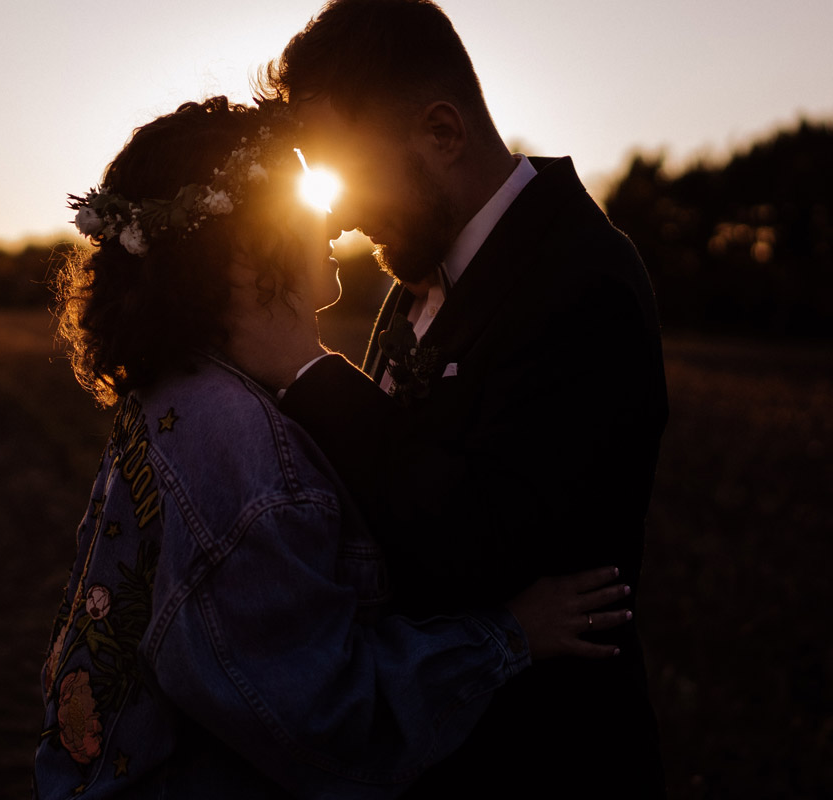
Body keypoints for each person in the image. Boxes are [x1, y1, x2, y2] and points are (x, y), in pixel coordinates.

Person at [33, 96, 632, 798]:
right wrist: (506, 637)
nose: (331, 221)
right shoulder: (242, 445)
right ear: (247, 250)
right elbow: (322, 715)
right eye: (299, 204)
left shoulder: (174, 394)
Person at [231, 1, 670, 796]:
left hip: (541, 755)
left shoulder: (583, 282)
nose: (338, 213)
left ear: (442, 132)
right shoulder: (424, 269)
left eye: (349, 172)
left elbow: (481, 548)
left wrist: (307, 369)